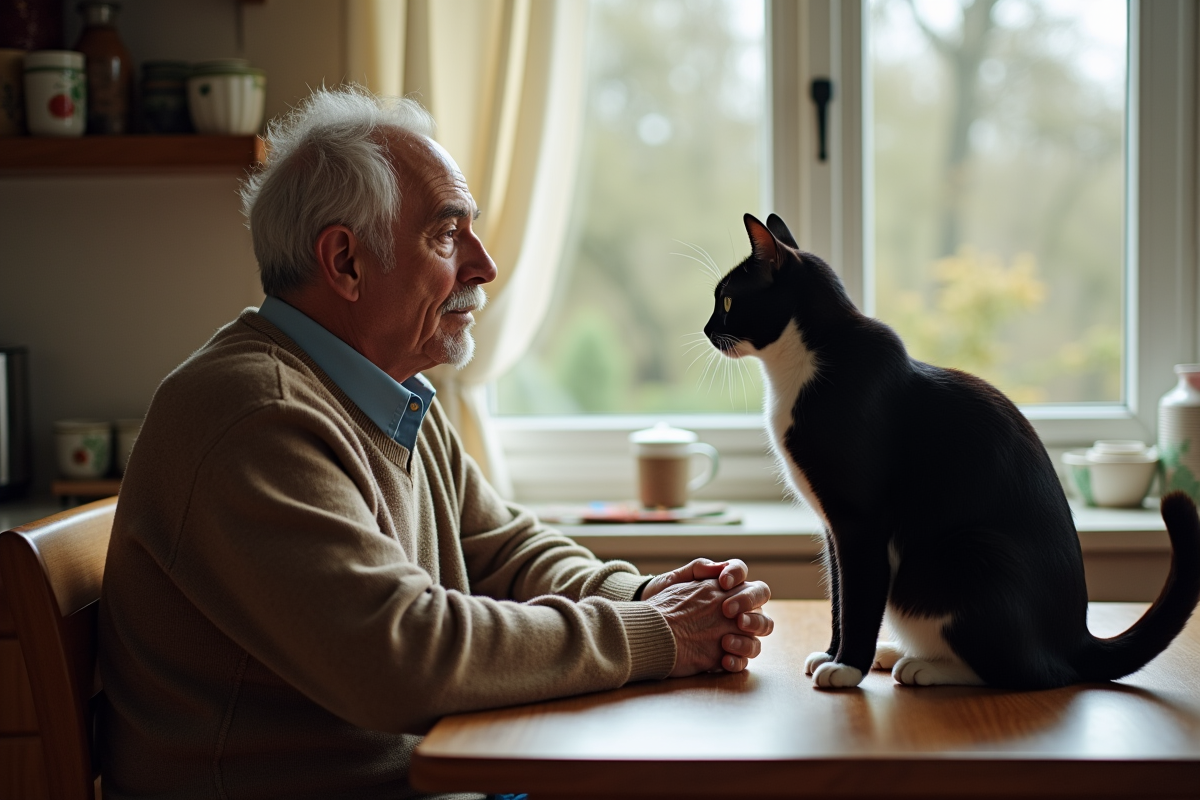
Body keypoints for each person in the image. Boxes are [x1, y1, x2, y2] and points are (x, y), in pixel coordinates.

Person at [98, 87, 773, 799]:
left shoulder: (387, 394)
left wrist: (643, 593)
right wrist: (654, 633)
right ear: (346, 262)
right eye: (448, 235)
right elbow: (401, 656)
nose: (483, 265)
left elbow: (507, 552)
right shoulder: (252, 415)